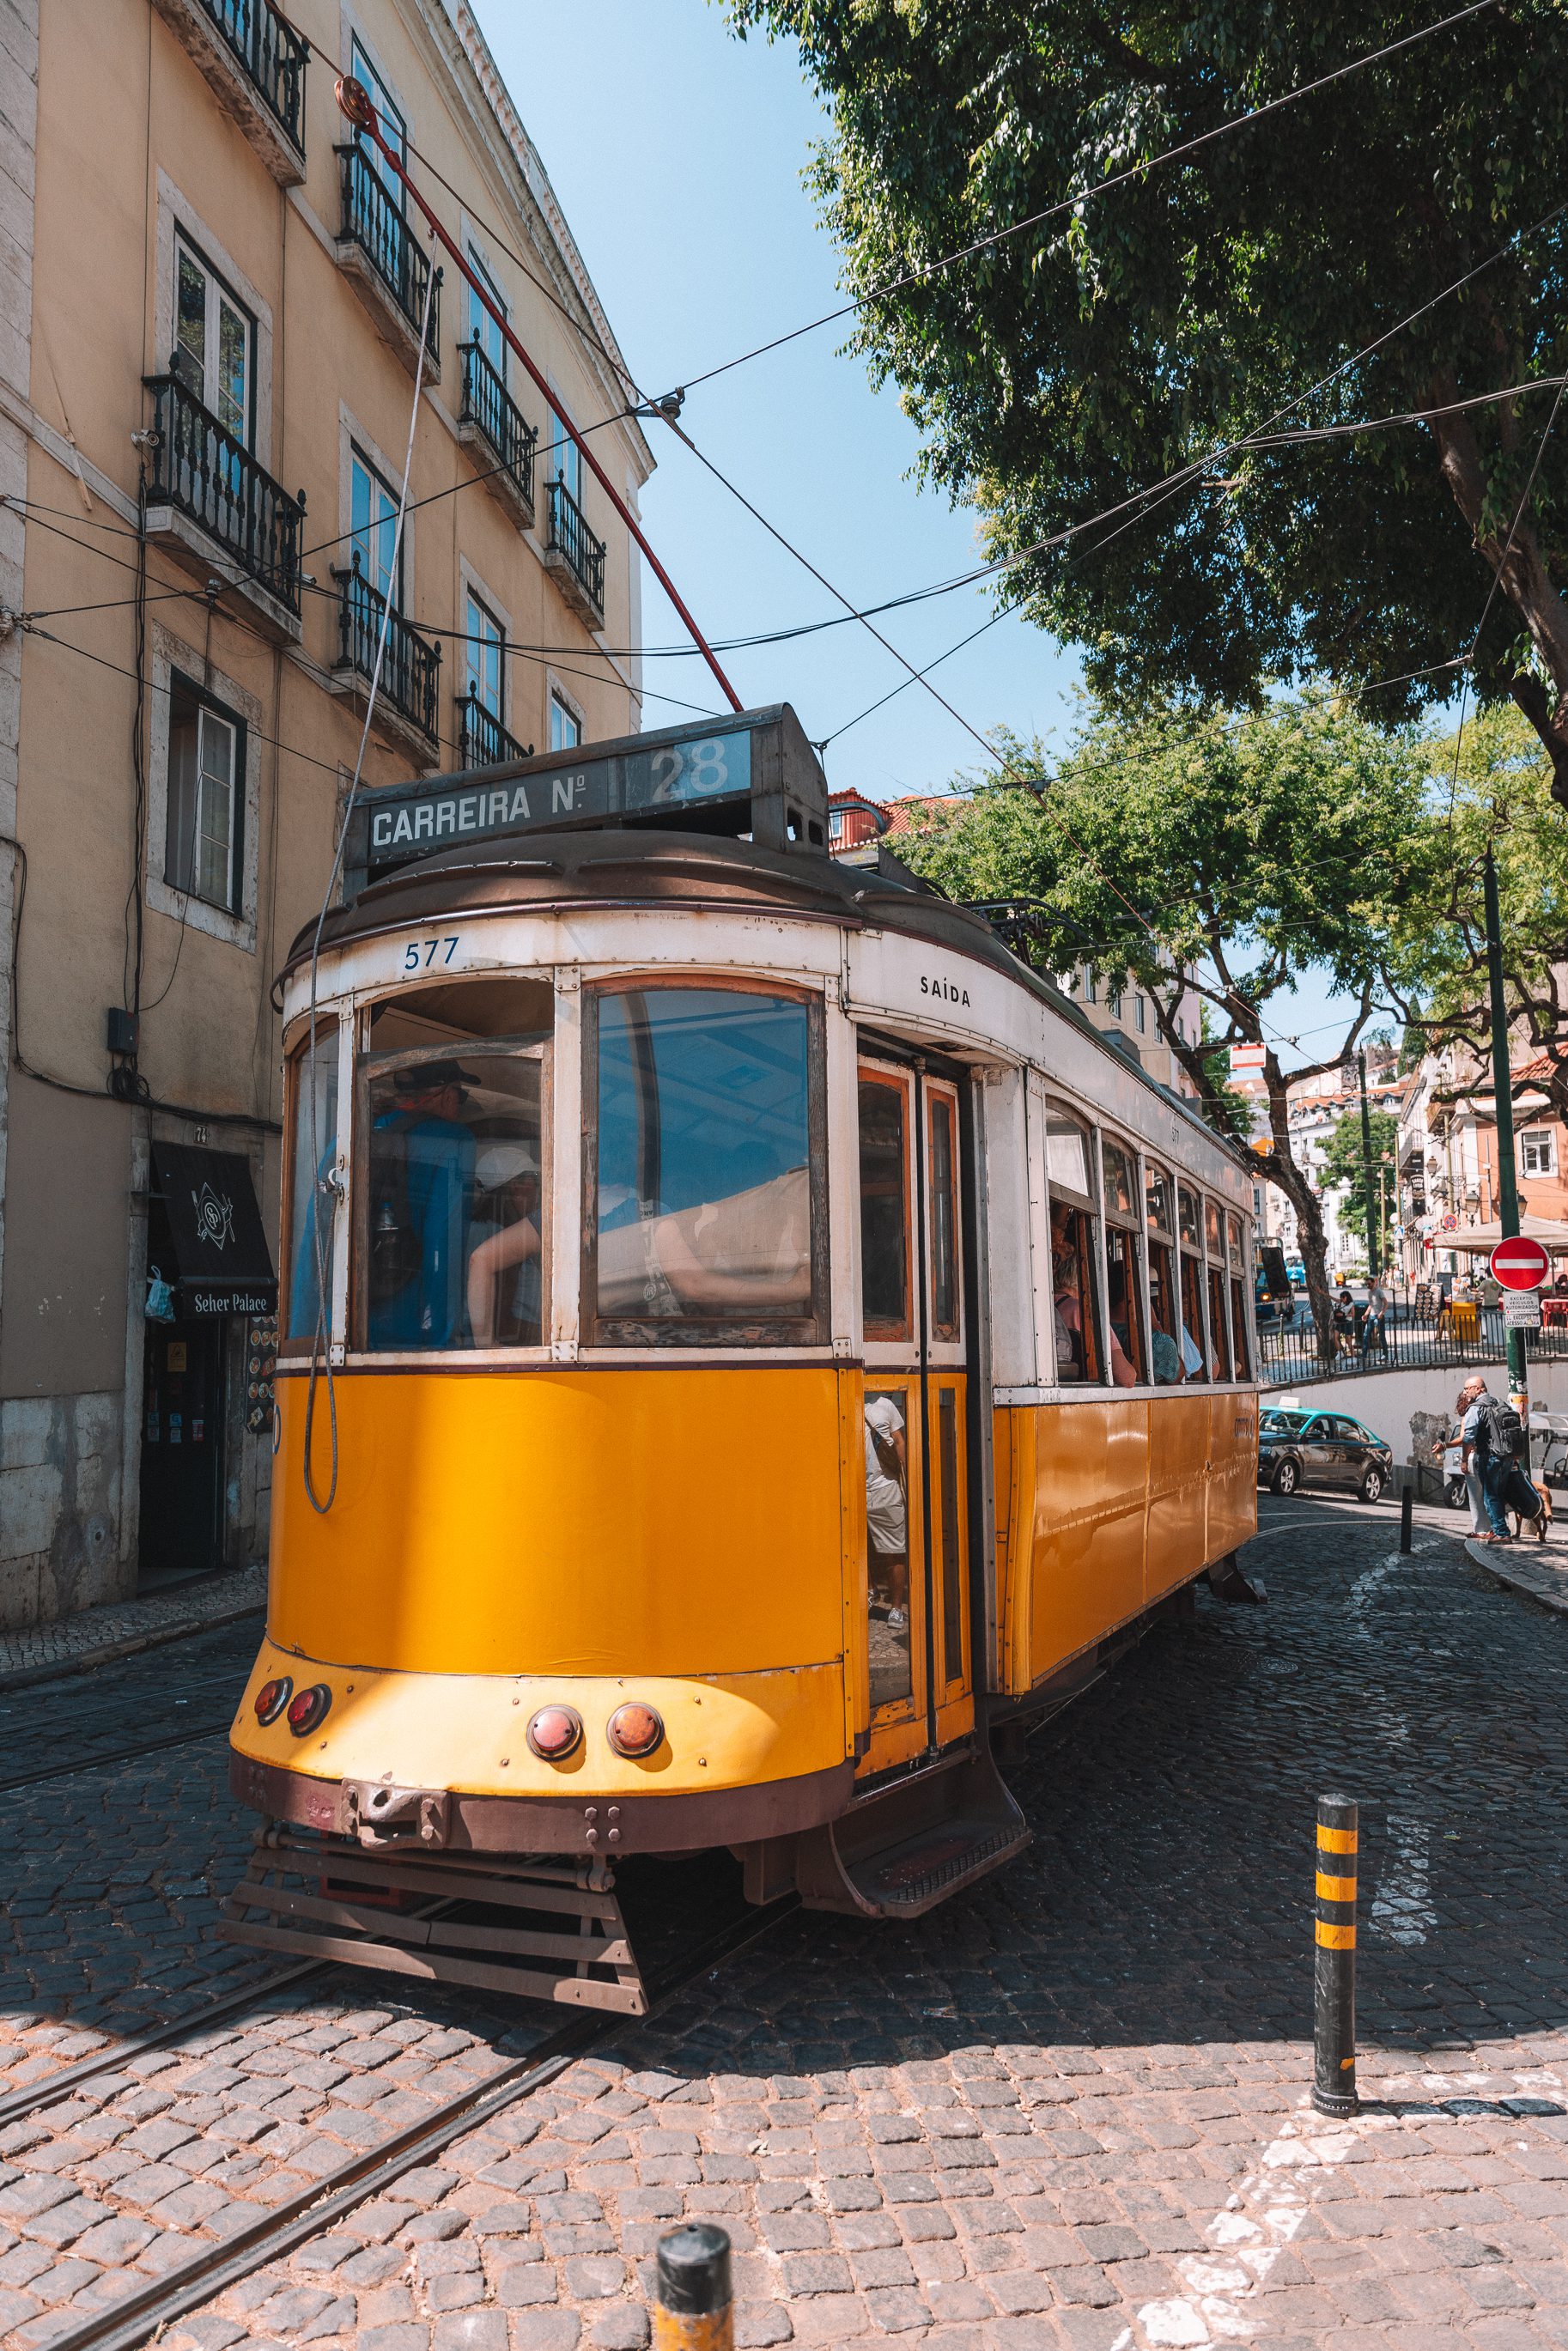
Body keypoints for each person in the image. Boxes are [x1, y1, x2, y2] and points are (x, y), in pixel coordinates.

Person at [367, 1060, 476, 1350]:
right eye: (461, 1096)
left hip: (357, 1329)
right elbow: (445, 1247)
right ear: (448, 1095)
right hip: (415, 1332)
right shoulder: (454, 1142)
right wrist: (446, 1338)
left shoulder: (359, 1134)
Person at [465, 1144, 544, 1346]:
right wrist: (551, 1334)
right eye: (535, 1180)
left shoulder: (474, 1229)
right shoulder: (504, 1240)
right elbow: (503, 1323)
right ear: (518, 1186)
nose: (539, 1188)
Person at [864, 1391, 909, 1631]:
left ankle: (897, 1608)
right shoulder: (842, 1395)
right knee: (856, 1549)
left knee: (894, 1550)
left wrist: (906, 1477)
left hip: (886, 1488)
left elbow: (898, 1440)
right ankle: (870, 1591)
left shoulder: (885, 1404)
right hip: (853, 1488)